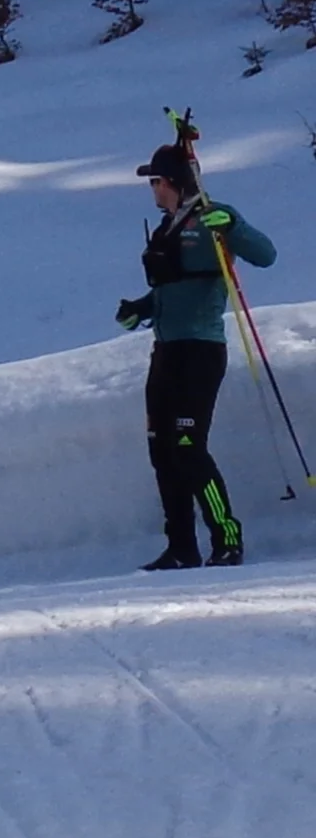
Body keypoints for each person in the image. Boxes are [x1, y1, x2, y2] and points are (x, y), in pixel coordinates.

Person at [117, 143, 276, 570]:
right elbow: (172, 289)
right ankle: (181, 547)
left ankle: (227, 538)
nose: (151, 188)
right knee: (162, 451)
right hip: (166, 352)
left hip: (201, 351)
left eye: (154, 180)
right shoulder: (167, 227)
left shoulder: (211, 217)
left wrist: (234, 226)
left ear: (170, 182)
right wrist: (141, 309)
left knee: (188, 447)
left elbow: (266, 254)